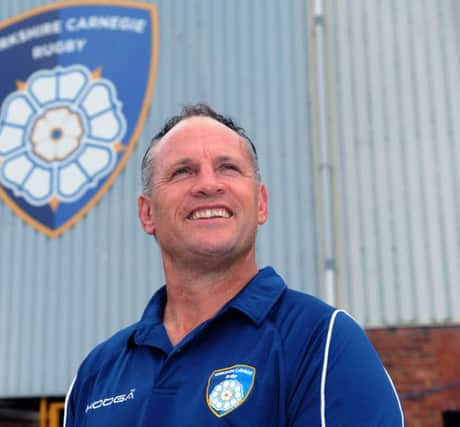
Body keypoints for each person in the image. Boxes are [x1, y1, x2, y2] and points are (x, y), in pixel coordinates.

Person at [63, 104, 404, 426]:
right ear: (147, 213)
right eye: (183, 171)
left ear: (261, 203)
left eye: (228, 167)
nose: (209, 185)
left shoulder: (324, 343)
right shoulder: (97, 374)